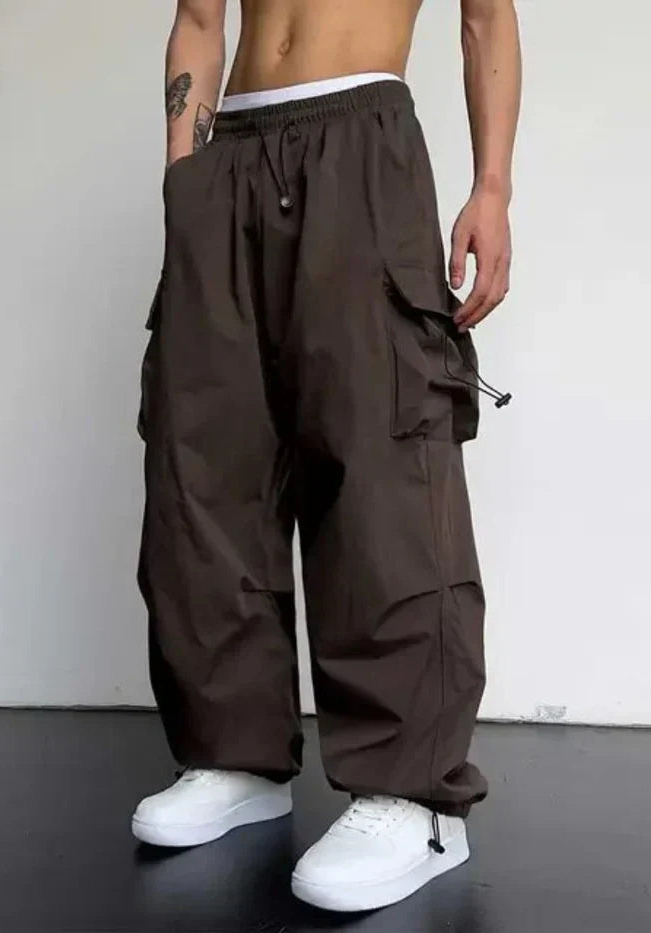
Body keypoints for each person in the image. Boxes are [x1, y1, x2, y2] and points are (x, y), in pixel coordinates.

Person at [133, 0, 521, 913]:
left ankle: (416, 798)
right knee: (205, 460)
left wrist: (492, 187)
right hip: (229, 152)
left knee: (383, 463)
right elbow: (198, 20)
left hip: (360, 135)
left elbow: (486, 17)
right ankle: (235, 754)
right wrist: (185, 179)